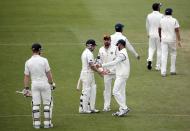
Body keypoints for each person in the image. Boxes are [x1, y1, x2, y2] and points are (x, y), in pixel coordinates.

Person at [98, 39, 140, 117]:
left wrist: (102, 65)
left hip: (122, 75)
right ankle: (122, 110)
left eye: (117, 45)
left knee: (115, 92)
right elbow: (117, 65)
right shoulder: (122, 52)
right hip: (122, 74)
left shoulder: (122, 53)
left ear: (120, 45)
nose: (117, 46)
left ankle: (124, 107)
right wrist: (109, 71)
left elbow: (114, 62)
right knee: (120, 92)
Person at [23, 43, 56, 129]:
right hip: (45, 84)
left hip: (34, 85)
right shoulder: (44, 60)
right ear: (39, 50)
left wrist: (26, 88)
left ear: (32, 50)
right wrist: (52, 83)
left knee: (36, 104)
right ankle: (47, 123)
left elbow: (26, 76)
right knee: (47, 104)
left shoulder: (28, 62)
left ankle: (36, 124)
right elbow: (48, 73)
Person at [78, 39, 105, 114]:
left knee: (93, 89)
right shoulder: (88, 53)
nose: (94, 47)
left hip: (89, 73)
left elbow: (92, 65)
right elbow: (91, 66)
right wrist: (100, 72)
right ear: (90, 46)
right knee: (86, 91)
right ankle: (84, 109)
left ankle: (91, 108)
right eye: (93, 46)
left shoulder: (87, 53)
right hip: (87, 74)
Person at [98, 35, 118, 112]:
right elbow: (99, 61)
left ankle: (122, 106)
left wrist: (111, 70)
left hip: (116, 72)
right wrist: (101, 70)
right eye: (105, 40)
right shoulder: (101, 49)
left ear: (110, 40)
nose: (106, 41)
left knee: (118, 90)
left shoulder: (115, 48)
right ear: (103, 40)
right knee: (107, 90)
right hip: (106, 73)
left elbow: (118, 61)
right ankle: (106, 106)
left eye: (108, 39)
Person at [159, 8, 181, 77]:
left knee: (164, 55)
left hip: (164, 40)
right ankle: (172, 70)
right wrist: (179, 40)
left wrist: (160, 37)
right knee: (173, 54)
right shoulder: (174, 20)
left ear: (165, 13)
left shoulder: (161, 20)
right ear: (171, 13)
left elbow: (159, 29)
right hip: (172, 40)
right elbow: (177, 30)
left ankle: (163, 72)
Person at [146, 3, 163, 70]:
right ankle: (158, 66)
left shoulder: (149, 15)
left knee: (151, 48)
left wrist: (148, 33)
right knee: (159, 50)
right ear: (158, 8)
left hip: (151, 34)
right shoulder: (162, 16)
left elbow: (147, 26)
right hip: (159, 34)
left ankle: (149, 59)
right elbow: (162, 26)